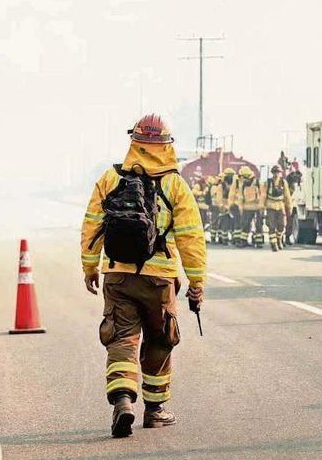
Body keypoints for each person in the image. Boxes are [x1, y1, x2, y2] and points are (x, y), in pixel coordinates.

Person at [81, 113, 207, 438]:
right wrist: (196, 282)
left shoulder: (110, 178)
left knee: (121, 338)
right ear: (167, 145)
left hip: (118, 276)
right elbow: (191, 237)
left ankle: (123, 399)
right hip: (159, 280)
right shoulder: (175, 185)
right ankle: (155, 410)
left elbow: (92, 226)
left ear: (134, 142)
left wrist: (90, 267)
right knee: (160, 340)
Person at [229, 166, 264, 248]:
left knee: (259, 225)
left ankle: (258, 241)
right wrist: (240, 207)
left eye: (244, 177)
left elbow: (263, 195)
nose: (243, 179)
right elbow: (240, 197)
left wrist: (262, 207)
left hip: (257, 207)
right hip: (247, 208)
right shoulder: (242, 185)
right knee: (245, 225)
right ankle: (243, 241)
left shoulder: (258, 183)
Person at [263, 165, 292, 251]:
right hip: (270, 206)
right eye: (275, 172)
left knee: (282, 225)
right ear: (272, 173)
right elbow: (263, 196)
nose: (276, 174)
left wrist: (289, 207)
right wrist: (262, 207)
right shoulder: (268, 183)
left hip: (280, 206)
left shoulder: (283, 183)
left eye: (278, 172)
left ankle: (279, 238)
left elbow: (287, 196)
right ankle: (274, 244)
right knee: (271, 226)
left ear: (280, 173)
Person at [217, 168, 237, 244]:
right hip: (224, 207)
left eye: (231, 175)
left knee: (233, 223)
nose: (230, 177)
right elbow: (219, 197)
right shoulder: (221, 186)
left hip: (232, 206)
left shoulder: (235, 185)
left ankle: (234, 238)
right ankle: (224, 238)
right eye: (229, 175)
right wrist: (221, 205)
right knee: (224, 223)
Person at [191, 171, 211, 236]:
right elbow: (193, 192)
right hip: (199, 206)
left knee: (205, 220)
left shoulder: (207, 186)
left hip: (205, 206)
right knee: (200, 220)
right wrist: (202, 193)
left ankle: (202, 232)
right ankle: (199, 233)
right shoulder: (198, 185)